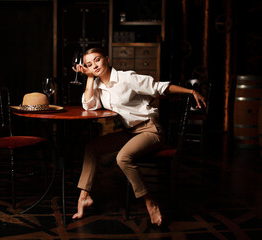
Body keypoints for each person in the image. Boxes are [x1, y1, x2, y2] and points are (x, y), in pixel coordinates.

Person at [71, 47, 206, 226]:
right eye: (89, 64)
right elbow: (89, 106)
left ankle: (150, 201)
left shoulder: (127, 78)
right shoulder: (97, 85)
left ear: (107, 59)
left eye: (97, 60)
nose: (94, 65)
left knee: (123, 158)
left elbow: (159, 87)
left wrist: (191, 92)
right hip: (130, 132)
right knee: (92, 147)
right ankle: (84, 197)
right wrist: (89, 78)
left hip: (150, 130)